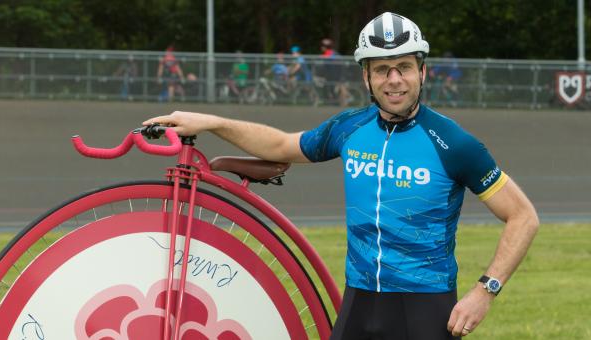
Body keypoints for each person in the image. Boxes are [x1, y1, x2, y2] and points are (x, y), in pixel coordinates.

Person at [143, 11, 539, 340]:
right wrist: (211, 122)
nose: (394, 79)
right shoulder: (349, 128)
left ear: (423, 72)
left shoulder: (453, 143)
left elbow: (522, 217)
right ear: (366, 77)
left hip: (426, 307)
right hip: (360, 302)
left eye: (404, 67)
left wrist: (484, 291)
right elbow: (281, 145)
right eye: (382, 70)